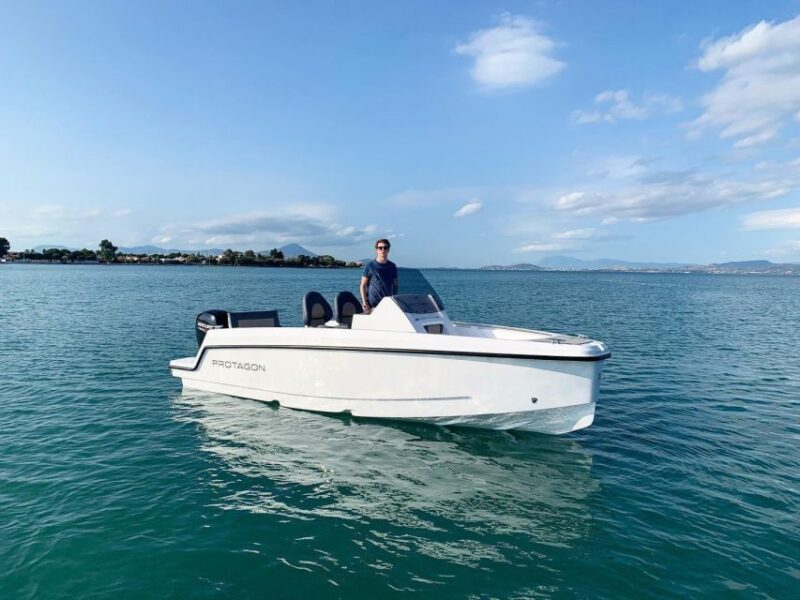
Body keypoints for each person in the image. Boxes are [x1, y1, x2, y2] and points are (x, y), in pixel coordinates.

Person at [360, 239, 398, 313]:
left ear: (388, 250)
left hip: (387, 304)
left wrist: (395, 300)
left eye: (385, 248)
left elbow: (395, 285)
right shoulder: (370, 266)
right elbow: (363, 285)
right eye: (380, 248)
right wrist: (364, 302)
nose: (383, 250)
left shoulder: (392, 266)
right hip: (372, 305)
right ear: (376, 250)